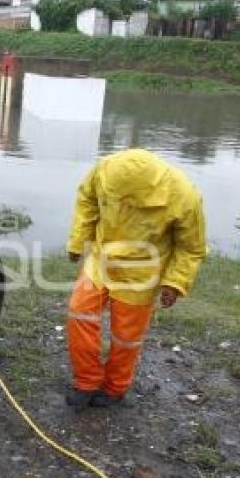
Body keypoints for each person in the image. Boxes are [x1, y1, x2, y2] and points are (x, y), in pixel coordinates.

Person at [64, 149, 207, 409]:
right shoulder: (103, 170)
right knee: (80, 313)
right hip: (100, 260)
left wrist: (175, 283)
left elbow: (191, 247)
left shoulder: (183, 194)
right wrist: (78, 242)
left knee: (126, 336)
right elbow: (87, 200)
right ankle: (86, 382)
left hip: (141, 272)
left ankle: (115, 388)